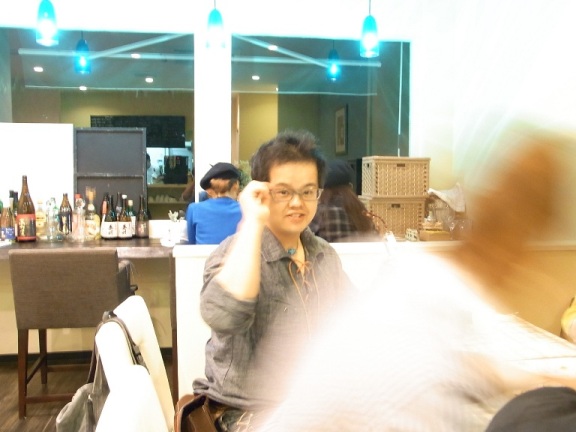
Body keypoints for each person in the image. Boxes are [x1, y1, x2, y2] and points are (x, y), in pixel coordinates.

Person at [257, 129, 576, 431]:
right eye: (284, 192)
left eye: (308, 191)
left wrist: (528, 378)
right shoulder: (417, 360)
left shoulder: (413, 281)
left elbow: (449, 364)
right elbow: (420, 371)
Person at [192, 130, 354, 431]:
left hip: (309, 404)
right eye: (283, 192)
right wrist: (253, 221)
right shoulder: (233, 253)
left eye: (308, 191)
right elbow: (223, 315)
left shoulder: (323, 255)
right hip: (244, 411)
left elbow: (352, 320)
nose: (297, 203)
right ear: (261, 192)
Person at [309, 159, 379, 242]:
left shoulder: (320, 211)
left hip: (328, 250)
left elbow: (304, 238)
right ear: (350, 186)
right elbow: (375, 235)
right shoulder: (360, 208)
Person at [185, 162, 242, 245]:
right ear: (236, 185)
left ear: (210, 190)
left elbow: (192, 244)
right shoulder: (247, 210)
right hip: (237, 254)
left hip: (204, 254)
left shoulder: (194, 210)